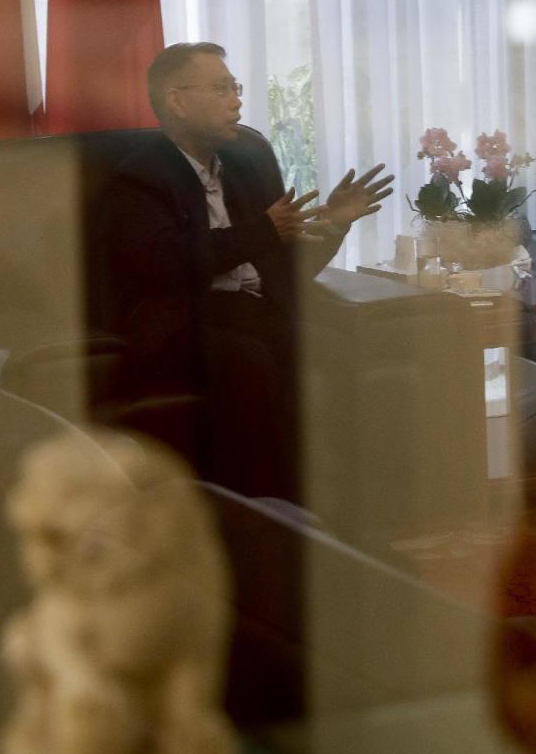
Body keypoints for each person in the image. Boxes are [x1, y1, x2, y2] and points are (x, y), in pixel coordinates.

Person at [100, 41, 393, 500]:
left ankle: (351, 512)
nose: (237, 100)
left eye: (234, 87)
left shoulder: (244, 164)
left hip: (250, 312)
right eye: (221, 89)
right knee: (250, 362)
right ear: (176, 100)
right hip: (185, 321)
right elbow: (163, 264)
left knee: (333, 346)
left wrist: (333, 225)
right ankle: (272, 514)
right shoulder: (139, 177)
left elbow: (282, 271)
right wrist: (262, 230)